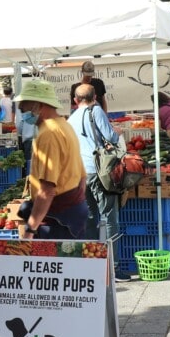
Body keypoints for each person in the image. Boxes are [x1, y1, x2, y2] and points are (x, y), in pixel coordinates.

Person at [15, 79, 88, 240]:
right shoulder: (64, 126)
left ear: (39, 105)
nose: (21, 109)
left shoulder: (49, 134)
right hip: (71, 213)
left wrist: (30, 230)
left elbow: (47, 190)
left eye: (25, 104)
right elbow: (82, 177)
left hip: (58, 220)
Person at [67, 84, 125, 259]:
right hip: (98, 171)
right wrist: (117, 132)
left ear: (75, 100)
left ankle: (93, 262)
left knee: (90, 217)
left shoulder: (71, 119)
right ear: (96, 97)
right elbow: (110, 137)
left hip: (79, 173)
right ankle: (112, 264)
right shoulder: (96, 111)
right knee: (109, 217)